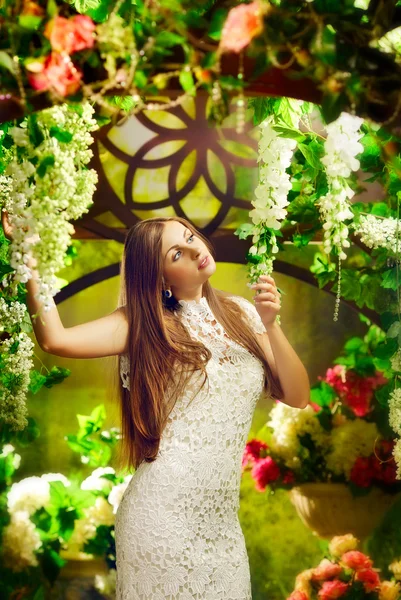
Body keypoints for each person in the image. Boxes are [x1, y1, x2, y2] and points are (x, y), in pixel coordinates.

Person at [1, 210, 310, 599]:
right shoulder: (144, 324)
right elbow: (55, 339)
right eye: (176, 254)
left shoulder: (244, 315)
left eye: (190, 237)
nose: (194, 249)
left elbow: (298, 396)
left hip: (221, 526)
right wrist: (26, 259)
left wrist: (271, 323)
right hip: (161, 517)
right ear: (160, 277)